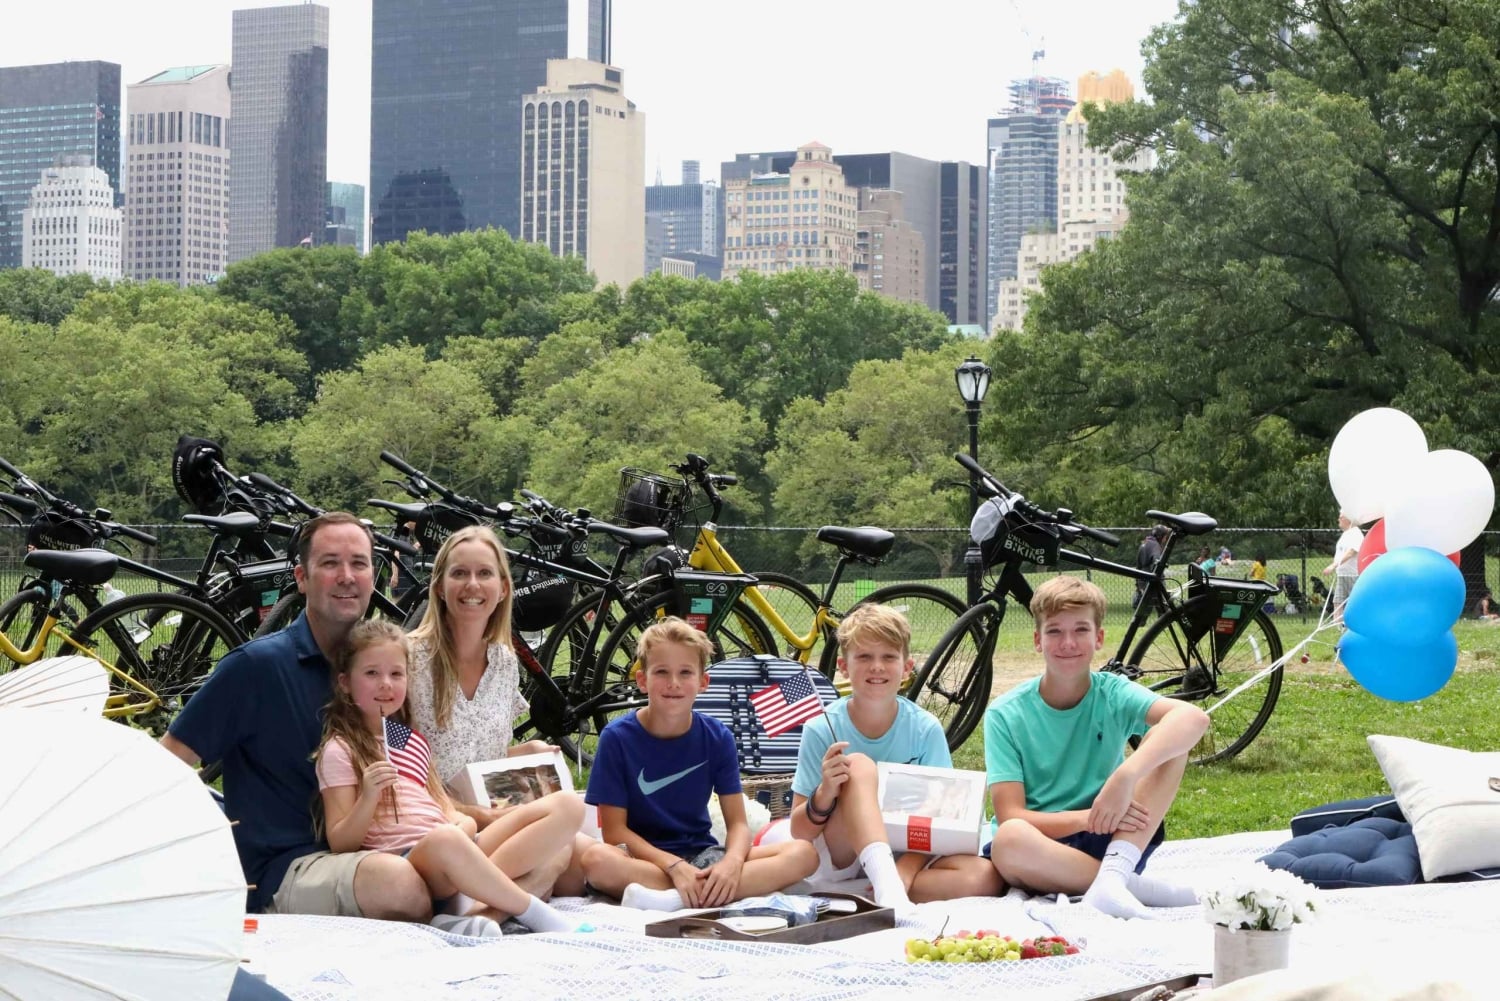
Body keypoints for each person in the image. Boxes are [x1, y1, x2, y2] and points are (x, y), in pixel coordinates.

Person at [162, 512, 430, 920]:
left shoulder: (383, 670)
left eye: (358, 563)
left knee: (537, 852)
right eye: (329, 563)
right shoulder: (256, 667)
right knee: (400, 883)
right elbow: (166, 762)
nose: (346, 576)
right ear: (301, 578)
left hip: (379, 846)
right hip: (292, 868)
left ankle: (469, 917)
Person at [316, 619, 576, 937]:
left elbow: (444, 809)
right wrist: (369, 796)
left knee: (566, 808)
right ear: (345, 682)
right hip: (414, 860)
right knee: (447, 840)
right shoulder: (340, 749)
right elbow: (340, 841)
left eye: (396, 674)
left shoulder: (409, 740)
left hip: (455, 846)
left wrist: (462, 823)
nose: (385, 684)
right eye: (371, 673)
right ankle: (528, 909)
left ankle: (481, 913)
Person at [984, 576, 1210, 919]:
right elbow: (1010, 815)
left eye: (1081, 630)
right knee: (1008, 839)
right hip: (1042, 846)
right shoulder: (1004, 714)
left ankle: (1115, 875)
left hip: (1115, 839)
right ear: (1037, 640)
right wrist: (1087, 818)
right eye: (1054, 631)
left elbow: (1194, 718)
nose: (1068, 642)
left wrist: (1125, 777)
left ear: (1099, 638)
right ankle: (1128, 887)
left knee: (1173, 740)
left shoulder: (1112, 691)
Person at [579, 617, 819, 909]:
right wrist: (674, 866)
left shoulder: (717, 737)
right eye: (662, 672)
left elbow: (738, 824)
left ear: (703, 682)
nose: (674, 683)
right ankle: (704, 893)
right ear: (642, 680)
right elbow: (614, 833)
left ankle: (674, 899)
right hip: (645, 859)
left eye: (685, 672)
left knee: (804, 854)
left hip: (704, 853)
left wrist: (731, 863)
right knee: (596, 861)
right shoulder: (616, 738)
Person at [771, 604, 1001, 908]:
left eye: (888, 657)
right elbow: (799, 830)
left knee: (984, 878)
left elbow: (940, 818)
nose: (876, 667)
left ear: (907, 667)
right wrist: (826, 792)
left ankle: (878, 888)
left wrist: (904, 870)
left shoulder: (924, 729)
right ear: (843, 666)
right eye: (864, 657)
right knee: (860, 766)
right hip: (842, 855)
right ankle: (886, 888)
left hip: (905, 851)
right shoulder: (821, 728)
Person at [405, 525, 588, 897]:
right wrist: (479, 816)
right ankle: (486, 899)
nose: (473, 585)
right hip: (442, 826)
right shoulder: (407, 660)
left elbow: (482, 752)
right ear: (439, 586)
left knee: (580, 858)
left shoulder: (504, 662)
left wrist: (526, 754)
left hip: (496, 816)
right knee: (564, 845)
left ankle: (484, 906)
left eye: (484, 573)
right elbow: (398, 763)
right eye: (460, 573)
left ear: (503, 588)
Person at [1321, 513, 1363, 622]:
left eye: (1341, 517)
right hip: (1342, 574)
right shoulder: (1346, 534)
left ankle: (1355, 623)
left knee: (1354, 602)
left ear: (1349, 519)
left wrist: (1333, 566)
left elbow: (1351, 553)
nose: (1338, 519)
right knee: (1337, 601)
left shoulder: (1356, 534)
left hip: (1352, 574)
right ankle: (1338, 626)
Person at [1134, 526, 1168, 608]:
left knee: (1143, 611)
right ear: (1160, 536)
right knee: (1163, 609)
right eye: (1166, 537)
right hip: (1152, 581)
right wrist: (1159, 578)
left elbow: (1138, 565)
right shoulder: (1155, 545)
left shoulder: (1145, 543)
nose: (1166, 540)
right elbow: (1156, 562)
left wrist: (1138, 583)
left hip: (1142, 580)